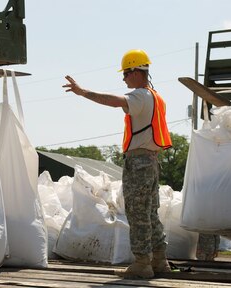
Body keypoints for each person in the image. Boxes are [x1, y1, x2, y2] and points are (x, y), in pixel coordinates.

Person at [63, 49, 173, 279]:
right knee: (150, 212)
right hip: (151, 161)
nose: (123, 78)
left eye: (125, 73)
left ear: (135, 71)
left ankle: (143, 263)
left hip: (140, 162)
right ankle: (160, 260)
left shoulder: (141, 96)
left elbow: (114, 101)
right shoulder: (156, 96)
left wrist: (83, 92)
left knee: (137, 212)